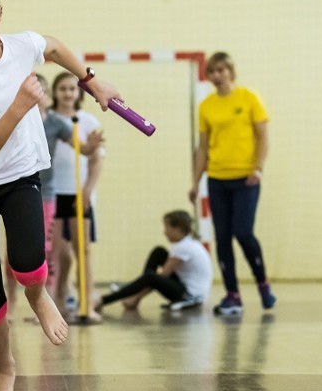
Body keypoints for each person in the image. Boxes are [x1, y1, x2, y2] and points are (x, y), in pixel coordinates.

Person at [0, 0, 122, 391]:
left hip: (22, 175)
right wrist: (21, 106)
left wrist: (90, 79)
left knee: (27, 263)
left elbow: (55, 46)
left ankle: (39, 297)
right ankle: (5, 370)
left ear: (0, 15)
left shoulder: (22, 46)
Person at [189, 52, 275, 316]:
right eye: (212, 71)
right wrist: (196, 182)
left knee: (243, 232)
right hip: (217, 178)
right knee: (222, 237)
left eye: (221, 70)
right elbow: (202, 148)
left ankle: (262, 283)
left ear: (230, 71)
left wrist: (258, 169)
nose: (217, 76)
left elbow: (262, 137)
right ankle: (232, 294)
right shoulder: (206, 106)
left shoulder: (249, 98)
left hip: (246, 178)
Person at [50, 72, 105, 322]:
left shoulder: (88, 121)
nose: (67, 93)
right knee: (58, 254)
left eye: (72, 89)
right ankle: (58, 302)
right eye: (62, 89)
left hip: (78, 194)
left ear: (79, 93)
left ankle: (87, 304)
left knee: (82, 251)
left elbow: (96, 159)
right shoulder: (47, 120)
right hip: (52, 193)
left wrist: (87, 190)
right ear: (54, 92)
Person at [97, 210, 213, 311]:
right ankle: (132, 292)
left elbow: (162, 277)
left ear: (177, 228)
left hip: (190, 295)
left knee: (151, 277)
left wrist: (136, 297)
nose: (164, 232)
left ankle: (104, 300)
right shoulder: (188, 243)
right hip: (186, 287)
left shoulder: (183, 248)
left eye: (167, 228)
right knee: (159, 252)